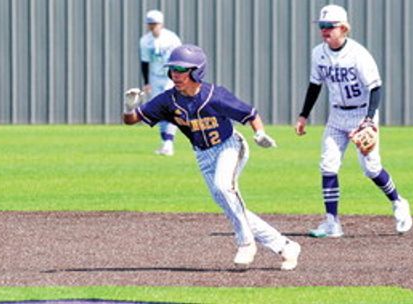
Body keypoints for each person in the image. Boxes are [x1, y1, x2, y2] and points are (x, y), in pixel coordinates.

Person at [123, 44, 301, 270]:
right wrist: (130, 107)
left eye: (182, 69)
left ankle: (246, 244)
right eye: (173, 69)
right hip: (203, 155)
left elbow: (250, 114)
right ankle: (286, 246)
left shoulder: (215, 95)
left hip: (230, 146)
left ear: (196, 71)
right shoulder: (168, 100)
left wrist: (260, 134)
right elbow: (131, 120)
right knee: (232, 206)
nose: (176, 74)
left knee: (224, 188)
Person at [294, 4, 413, 238]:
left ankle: (398, 202)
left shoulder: (358, 54)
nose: (324, 30)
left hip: (361, 114)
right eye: (322, 26)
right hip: (337, 115)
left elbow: (375, 88)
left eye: (330, 26)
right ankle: (332, 223)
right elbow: (315, 85)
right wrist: (303, 115)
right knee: (328, 165)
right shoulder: (318, 53)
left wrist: (369, 121)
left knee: (371, 168)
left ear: (344, 28)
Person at [139, 10, 182, 156]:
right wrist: (146, 82)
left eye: (155, 24)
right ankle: (166, 143)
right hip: (155, 77)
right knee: (160, 110)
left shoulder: (172, 38)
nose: (152, 27)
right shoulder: (145, 41)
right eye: (150, 24)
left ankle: (168, 143)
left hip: (170, 77)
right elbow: (144, 62)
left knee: (169, 108)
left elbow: (179, 59)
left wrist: (180, 78)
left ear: (161, 24)